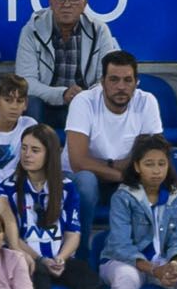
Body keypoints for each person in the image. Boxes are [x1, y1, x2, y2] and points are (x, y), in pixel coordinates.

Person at [0, 123, 101, 289]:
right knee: (39, 274)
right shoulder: (8, 188)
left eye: (35, 150)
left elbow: (73, 233)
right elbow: (12, 238)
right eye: (24, 148)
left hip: (58, 259)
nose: (27, 155)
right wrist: (41, 260)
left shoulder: (66, 187)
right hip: (26, 260)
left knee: (88, 277)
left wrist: (61, 258)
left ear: (49, 154)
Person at [102, 134, 177, 289]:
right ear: (136, 166)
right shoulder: (123, 197)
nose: (157, 170)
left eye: (162, 164)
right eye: (149, 164)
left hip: (162, 263)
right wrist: (153, 269)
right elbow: (120, 246)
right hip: (124, 263)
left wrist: (174, 265)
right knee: (126, 277)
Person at [65, 51, 163, 232]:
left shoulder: (146, 101)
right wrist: (123, 174)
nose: (121, 87)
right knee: (87, 181)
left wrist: (128, 173)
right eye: (114, 80)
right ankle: (81, 254)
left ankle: (145, 254)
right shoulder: (84, 102)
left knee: (154, 177)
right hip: (80, 178)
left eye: (127, 80)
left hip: (121, 178)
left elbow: (151, 153)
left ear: (136, 83)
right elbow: (78, 162)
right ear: (102, 82)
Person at [12, 0, 118, 128]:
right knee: (31, 101)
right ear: (51, 2)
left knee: (106, 101)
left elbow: (106, 78)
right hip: (46, 104)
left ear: (84, 4)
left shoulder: (99, 30)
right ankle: (34, 147)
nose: (67, 4)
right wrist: (62, 94)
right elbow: (26, 81)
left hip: (87, 105)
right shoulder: (32, 30)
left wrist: (84, 97)